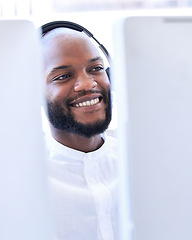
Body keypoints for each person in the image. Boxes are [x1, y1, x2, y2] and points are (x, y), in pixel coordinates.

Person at [40, 22, 118, 240]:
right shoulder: (23, 181)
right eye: (63, 76)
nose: (87, 84)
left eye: (96, 69)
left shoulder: (141, 164)